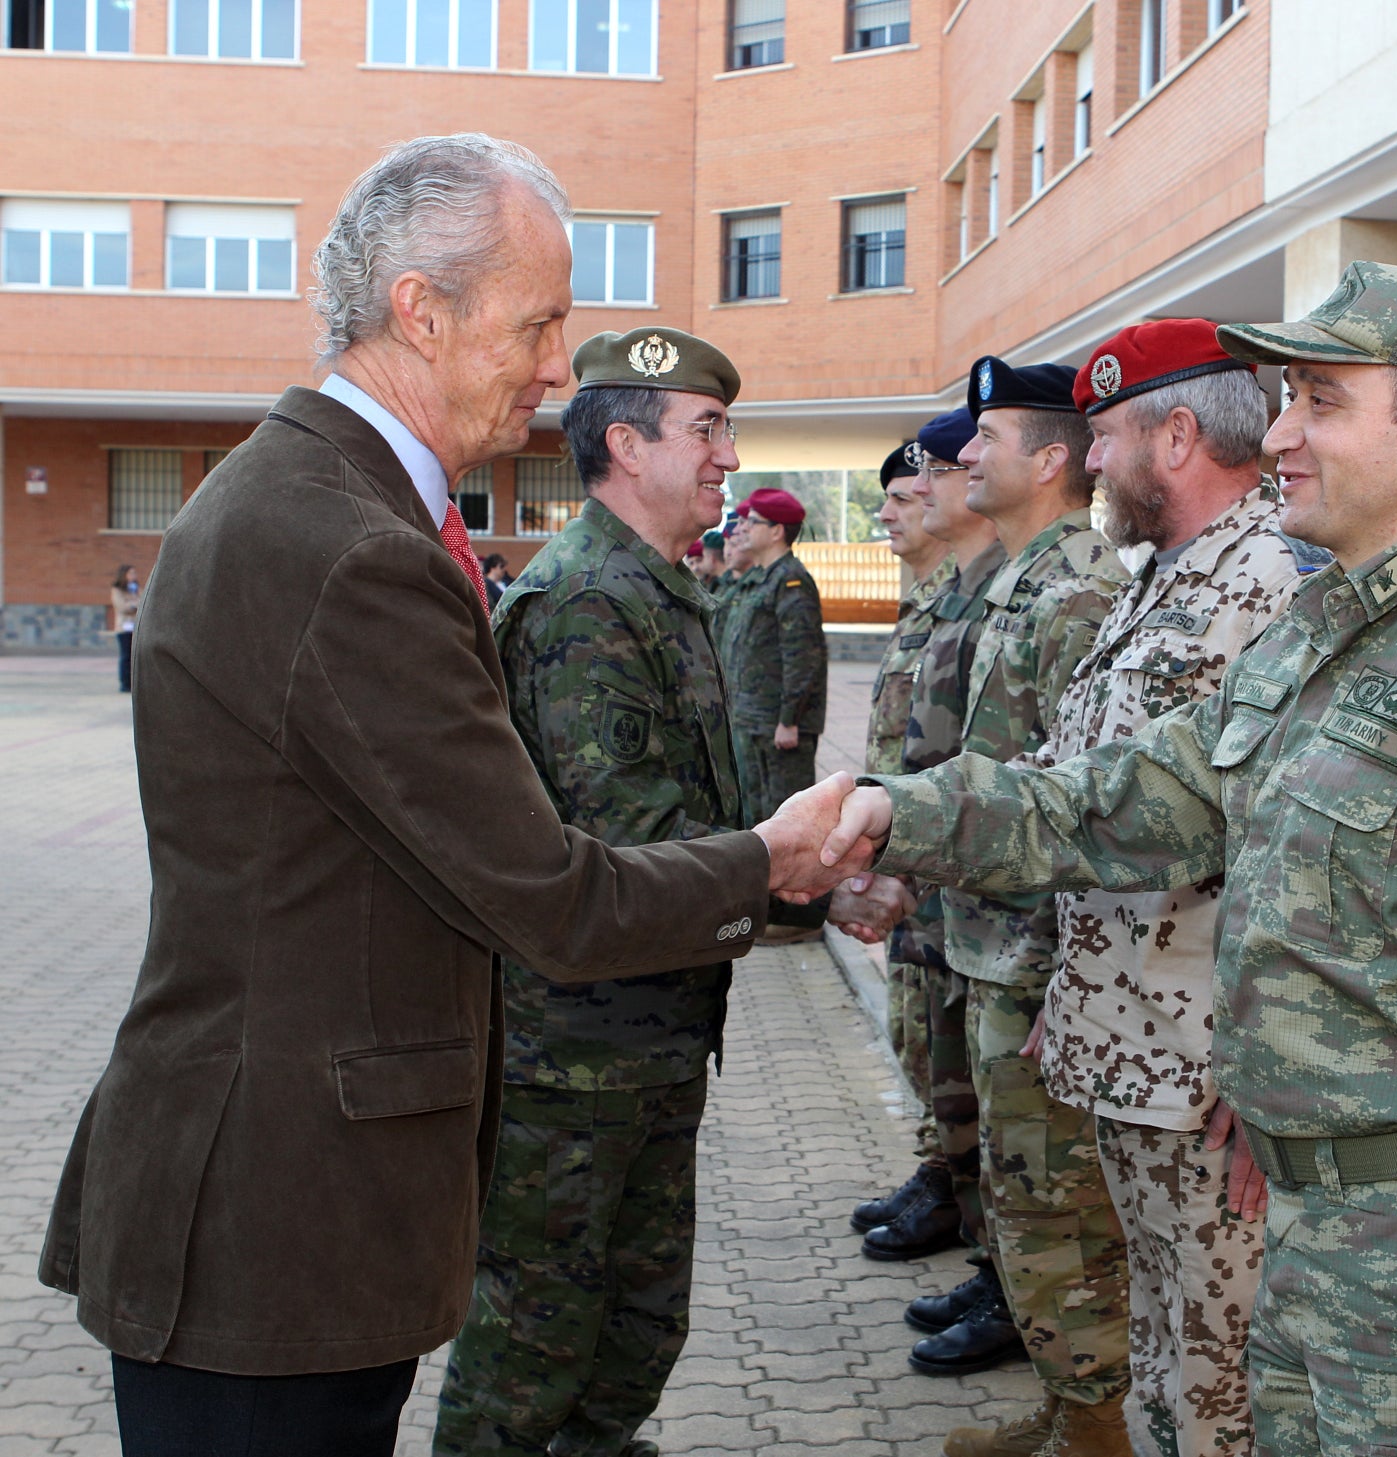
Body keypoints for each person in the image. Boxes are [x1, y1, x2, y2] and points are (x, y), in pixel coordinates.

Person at [34, 134, 847, 1457]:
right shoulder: (341, 542)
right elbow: (544, 893)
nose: (550, 369)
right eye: (536, 325)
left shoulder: (334, 506)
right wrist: (768, 858)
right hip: (275, 1214)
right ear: (421, 309)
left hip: (290, 1202)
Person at [799, 266, 1397, 1456]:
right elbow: (1118, 802)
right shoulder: (1315, 641)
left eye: (1317, 400)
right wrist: (888, 809)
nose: (1284, 432)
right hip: (1302, 1226)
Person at [430, 328, 747, 1455]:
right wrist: (789, 871)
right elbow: (624, 831)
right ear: (625, 441)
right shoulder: (583, 600)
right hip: (575, 1047)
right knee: (533, 1337)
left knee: (638, 1315)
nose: (726, 456)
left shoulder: (660, 589)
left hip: (654, 1028)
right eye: (704, 429)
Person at [1046, 318, 1325, 1457]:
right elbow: (1090, 786)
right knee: (1161, 1352)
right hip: (1129, 1047)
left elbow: (1302, 846)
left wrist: (1274, 1066)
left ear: (1173, 434)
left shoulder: (1277, 582)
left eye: (1103, 435)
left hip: (1211, 1074)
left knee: (1224, 1383)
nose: (1090, 462)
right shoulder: (1157, 581)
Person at [902, 355, 1137, 1457]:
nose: (965, 455)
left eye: (987, 438)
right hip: (993, 947)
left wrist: (1064, 975)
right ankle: (1066, 1403)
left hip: (1037, 961)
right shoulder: (1022, 577)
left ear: (1051, 460)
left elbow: (1084, 801)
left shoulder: (1079, 586)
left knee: (1060, 1208)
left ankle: (1094, 1424)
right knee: (1024, 1199)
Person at [847, 436, 965, 1262]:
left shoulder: (969, 597)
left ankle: (957, 1187)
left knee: (945, 1041)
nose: (890, 510)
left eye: (903, 493)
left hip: (949, 869)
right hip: (909, 858)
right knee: (919, 1032)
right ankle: (942, 1169)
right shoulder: (934, 597)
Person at [723, 486, 828, 825]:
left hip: (778, 725)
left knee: (789, 816)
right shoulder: (762, 578)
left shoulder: (791, 580)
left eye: (753, 522)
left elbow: (802, 655)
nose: (744, 528)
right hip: (753, 718)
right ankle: (764, 878)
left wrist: (789, 719)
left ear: (776, 531)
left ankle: (800, 880)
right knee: (757, 813)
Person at [109, 564, 140, 692]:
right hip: (124, 628)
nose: (134, 576)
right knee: (125, 656)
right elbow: (122, 607)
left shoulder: (136, 589)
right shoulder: (117, 590)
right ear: (124, 575)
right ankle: (125, 683)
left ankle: (135, 683)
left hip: (136, 628)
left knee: (135, 657)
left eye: (134, 573)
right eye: (131, 573)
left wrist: (133, 604)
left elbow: (144, 601)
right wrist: (134, 604)